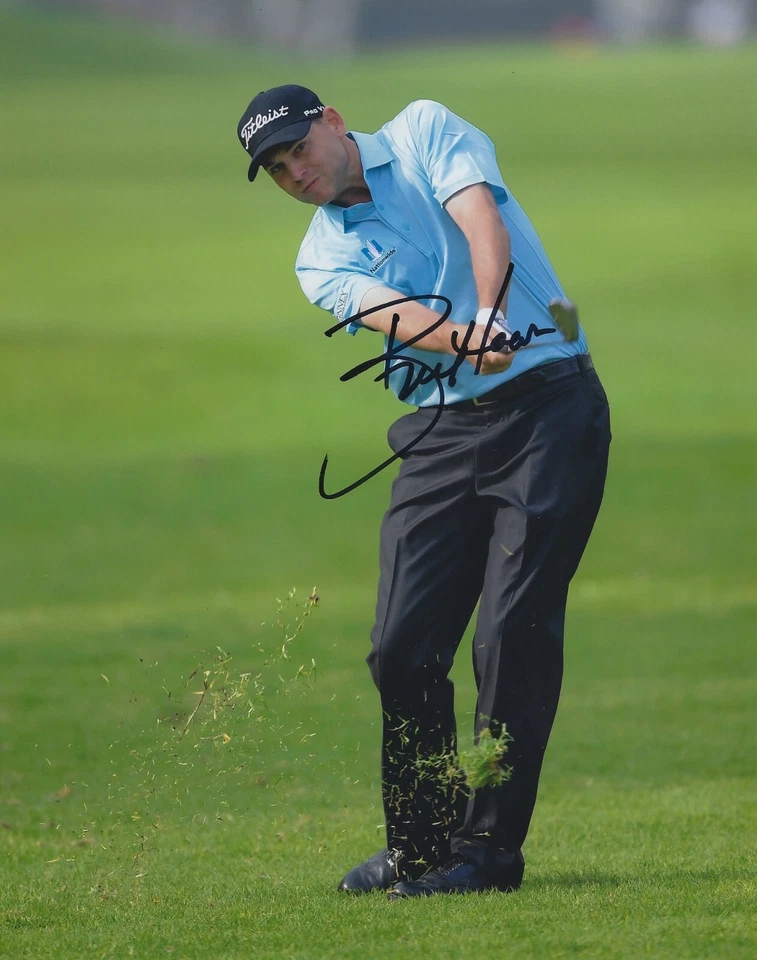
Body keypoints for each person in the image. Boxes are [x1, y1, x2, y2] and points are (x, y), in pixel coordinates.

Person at [236, 85, 611, 899]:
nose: (293, 171)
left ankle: (486, 855)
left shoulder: (422, 129)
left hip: (550, 410)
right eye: (275, 168)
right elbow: (397, 317)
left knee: (510, 635)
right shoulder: (318, 258)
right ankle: (416, 848)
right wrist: (463, 339)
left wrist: (485, 308)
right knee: (401, 647)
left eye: (298, 147)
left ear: (331, 121)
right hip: (441, 432)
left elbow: (479, 215)